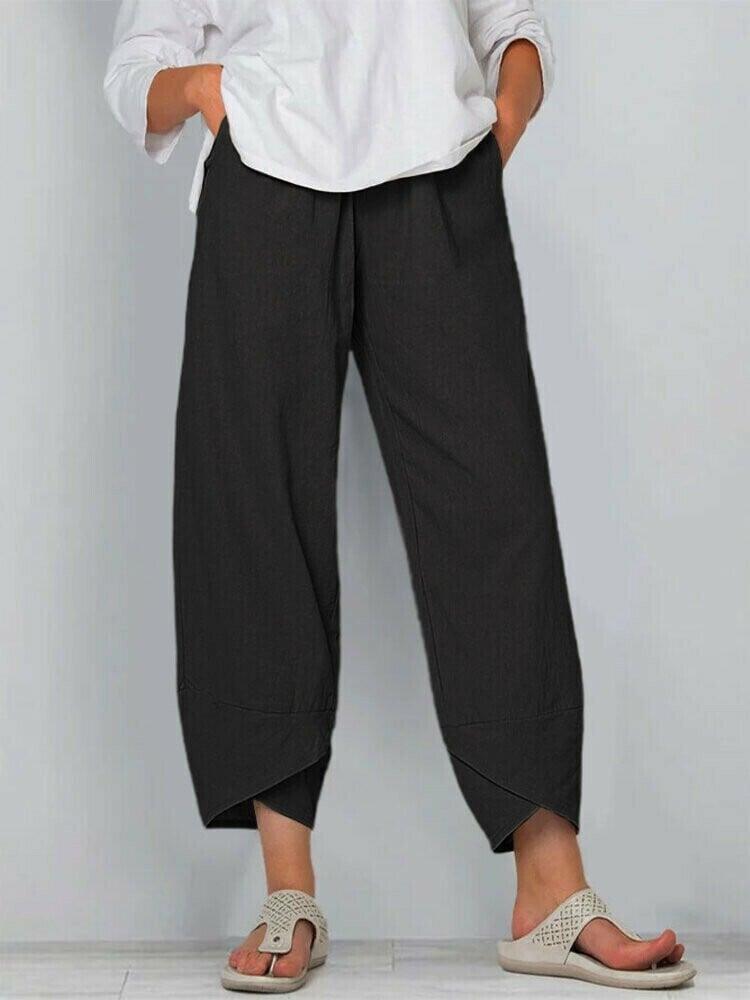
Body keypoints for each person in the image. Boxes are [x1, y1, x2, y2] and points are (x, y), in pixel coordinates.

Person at [104, 1, 695, 992]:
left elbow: (513, 23)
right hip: (267, 179)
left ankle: (551, 889)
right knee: (256, 519)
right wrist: (208, 88)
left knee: (496, 511)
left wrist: (501, 121)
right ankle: (288, 891)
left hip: (440, 177)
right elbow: (136, 69)